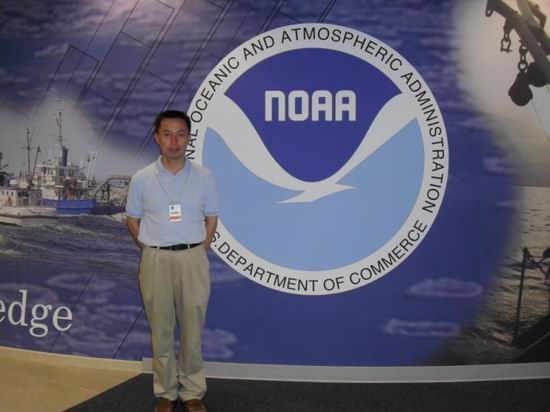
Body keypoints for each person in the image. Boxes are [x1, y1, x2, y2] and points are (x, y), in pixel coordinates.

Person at [126, 110, 218, 412]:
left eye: (180, 134)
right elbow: (132, 220)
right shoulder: (142, 179)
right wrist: (150, 248)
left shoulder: (204, 176)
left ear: (188, 137)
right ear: (157, 138)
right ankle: (165, 392)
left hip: (193, 258)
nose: (174, 141)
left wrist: (199, 249)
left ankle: (192, 391)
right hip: (155, 260)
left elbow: (212, 218)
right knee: (161, 329)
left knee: (192, 329)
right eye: (167, 134)